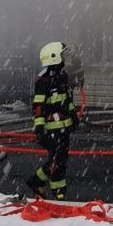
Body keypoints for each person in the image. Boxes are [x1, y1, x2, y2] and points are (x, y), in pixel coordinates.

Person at [27, 41, 78, 200]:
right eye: (62, 55)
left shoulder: (63, 77)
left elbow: (67, 99)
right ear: (54, 57)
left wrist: (73, 115)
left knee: (59, 158)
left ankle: (36, 181)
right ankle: (59, 191)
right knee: (58, 160)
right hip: (50, 129)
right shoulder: (42, 81)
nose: (65, 58)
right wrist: (40, 127)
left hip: (64, 127)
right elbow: (38, 106)